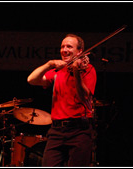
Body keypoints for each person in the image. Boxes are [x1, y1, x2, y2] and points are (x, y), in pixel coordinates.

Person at [27, 34, 97, 166]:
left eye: (69, 47)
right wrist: (49, 64)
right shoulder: (57, 71)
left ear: (79, 51)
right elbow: (31, 79)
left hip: (79, 130)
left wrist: (76, 72)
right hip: (57, 131)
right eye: (62, 46)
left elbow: (84, 96)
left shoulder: (88, 69)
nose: (64, 50)